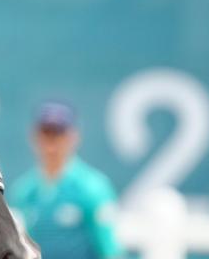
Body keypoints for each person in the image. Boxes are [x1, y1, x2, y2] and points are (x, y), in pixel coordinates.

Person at [8, 101, 123, 259]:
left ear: (73, 137)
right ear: (34, 137)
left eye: (58, 134)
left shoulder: (92, 188)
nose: (51, 144)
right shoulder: (24, 192)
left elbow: (110, 251)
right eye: (46, 133)